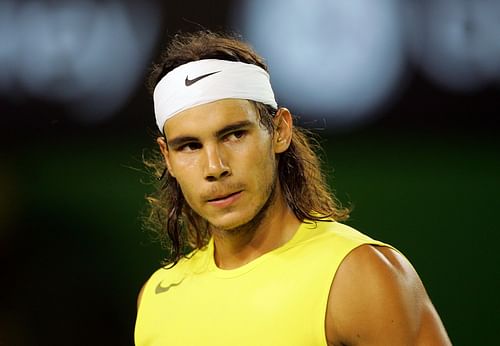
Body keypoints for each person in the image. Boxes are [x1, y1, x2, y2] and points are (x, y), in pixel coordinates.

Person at [135, 31, 451, 346]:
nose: (215, 167)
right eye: (189, 146)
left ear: (279, 131)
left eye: (234, 135)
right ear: (168, 158)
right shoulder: (156, 298)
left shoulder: (359, 276)